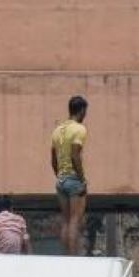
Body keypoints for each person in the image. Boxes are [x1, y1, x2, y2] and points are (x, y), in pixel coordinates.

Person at [51, 96, 90, 256]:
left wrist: (60, 175)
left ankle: (66, 255)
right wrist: (82, 180)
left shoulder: (57, 130)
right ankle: (73, 257)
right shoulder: (79, 129)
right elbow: (75, 155)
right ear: (81, 110)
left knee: (66, 221)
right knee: (75, 221)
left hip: (61, 179)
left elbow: (53, 159)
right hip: (74, 179)